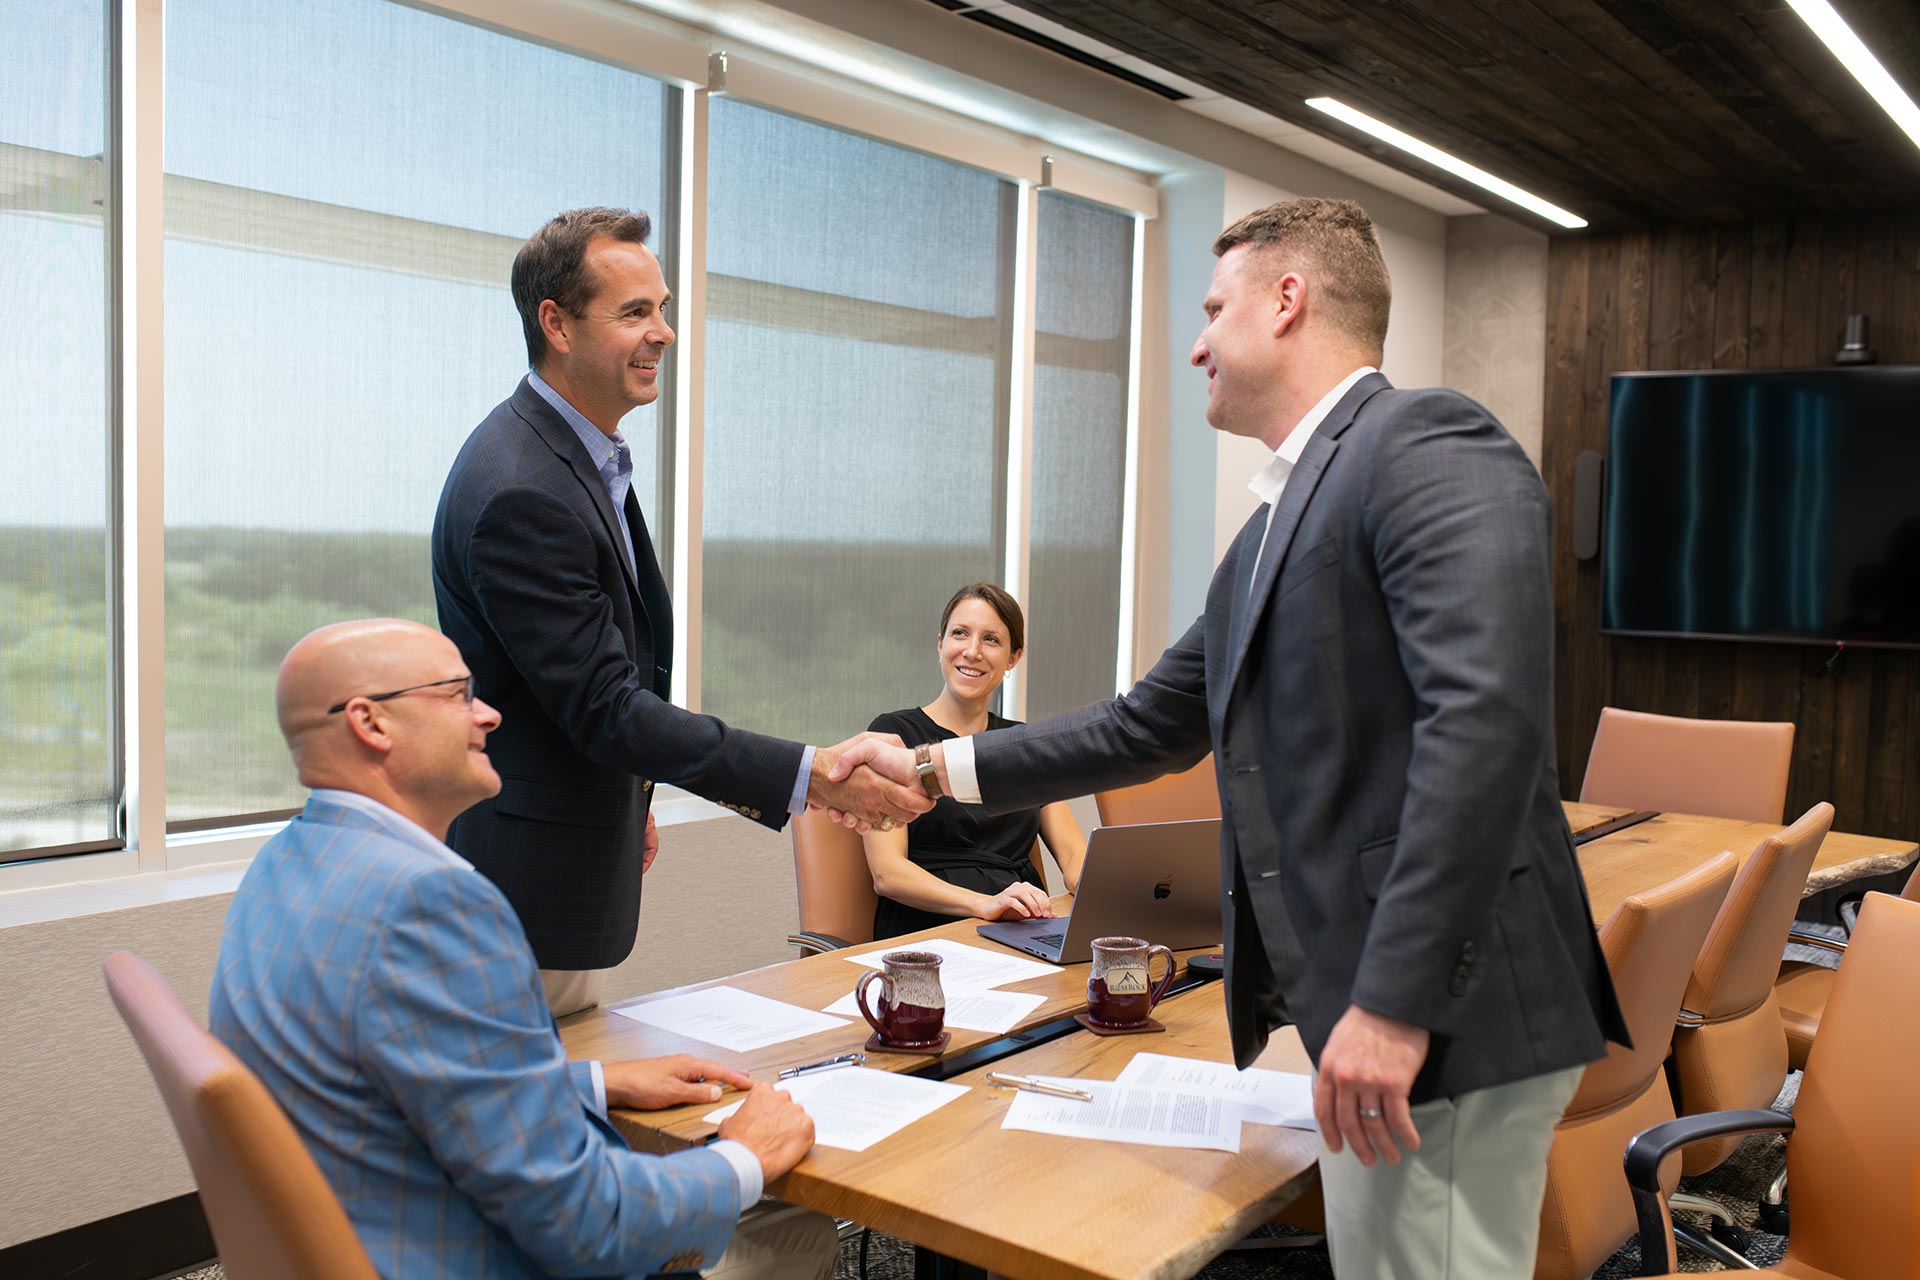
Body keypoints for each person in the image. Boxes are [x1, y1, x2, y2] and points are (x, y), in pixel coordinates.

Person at [834, 198, 1629, 1278]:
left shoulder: (1426, 441)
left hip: (1448, 1007)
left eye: (1214, 309)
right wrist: (928, 764)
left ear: (1289, 300)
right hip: (1387, 1003)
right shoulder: (1270, 525)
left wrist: (1394, 1002)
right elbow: (1146, 722)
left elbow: (1484, 724)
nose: (1198, 342)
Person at [209, 619, 839, 1280]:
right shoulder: (436, 905)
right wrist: (744, 1155)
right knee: (792, 1228)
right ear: (372, 724)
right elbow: (588, 1227)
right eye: (456, 694)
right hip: (465, 1256)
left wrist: (591, 1081)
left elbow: (390, 1080)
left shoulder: (286, 864)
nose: (487, 714)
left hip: (368, 1226)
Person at [432, 207, 928, 1015]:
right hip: (527, 887)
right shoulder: (525, 488)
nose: (662, 333)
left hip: (567, 856)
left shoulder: (575, 458)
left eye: (662, 308)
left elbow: (594, 677)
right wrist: (813, 779)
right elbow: (602, 705)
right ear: (555, 323)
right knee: (527, 1122)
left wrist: (633, 793)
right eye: (634, 312)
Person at [862, 583, 1086, 939]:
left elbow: (1074, 856)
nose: (972, 651)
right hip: (927, 930)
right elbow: (887, 874)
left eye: (991, 640)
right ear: (940, 644)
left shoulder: (1026, 744)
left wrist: (1116, 890)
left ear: (1013, 658)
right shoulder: (892, 735)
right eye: (960, 634)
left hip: (1022, 926)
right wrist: (984, 904)